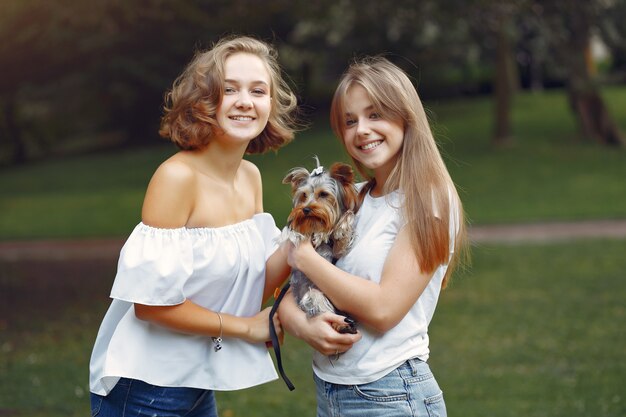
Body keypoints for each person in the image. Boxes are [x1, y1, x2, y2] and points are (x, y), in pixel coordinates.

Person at [89, 35, 298, 417]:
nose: (245, 102)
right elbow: (151, 306)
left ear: (271, 102)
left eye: (258, 90)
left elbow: (254, 283)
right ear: (204, 100)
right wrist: (247, 329)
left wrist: (303, 238)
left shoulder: (249, 177)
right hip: (146, 386)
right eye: (229, 89)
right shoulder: (176, 178)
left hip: (198, 382)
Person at [278, 56, 468, 417]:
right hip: (333, 392)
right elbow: (288, 293)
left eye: (375, 114)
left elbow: (383, 310)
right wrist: (304, 325)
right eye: (350, 121)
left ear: (406, 116)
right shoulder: (354, 198)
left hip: (390, 394)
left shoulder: (428, 201)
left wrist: (304, 258)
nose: (361, 129)